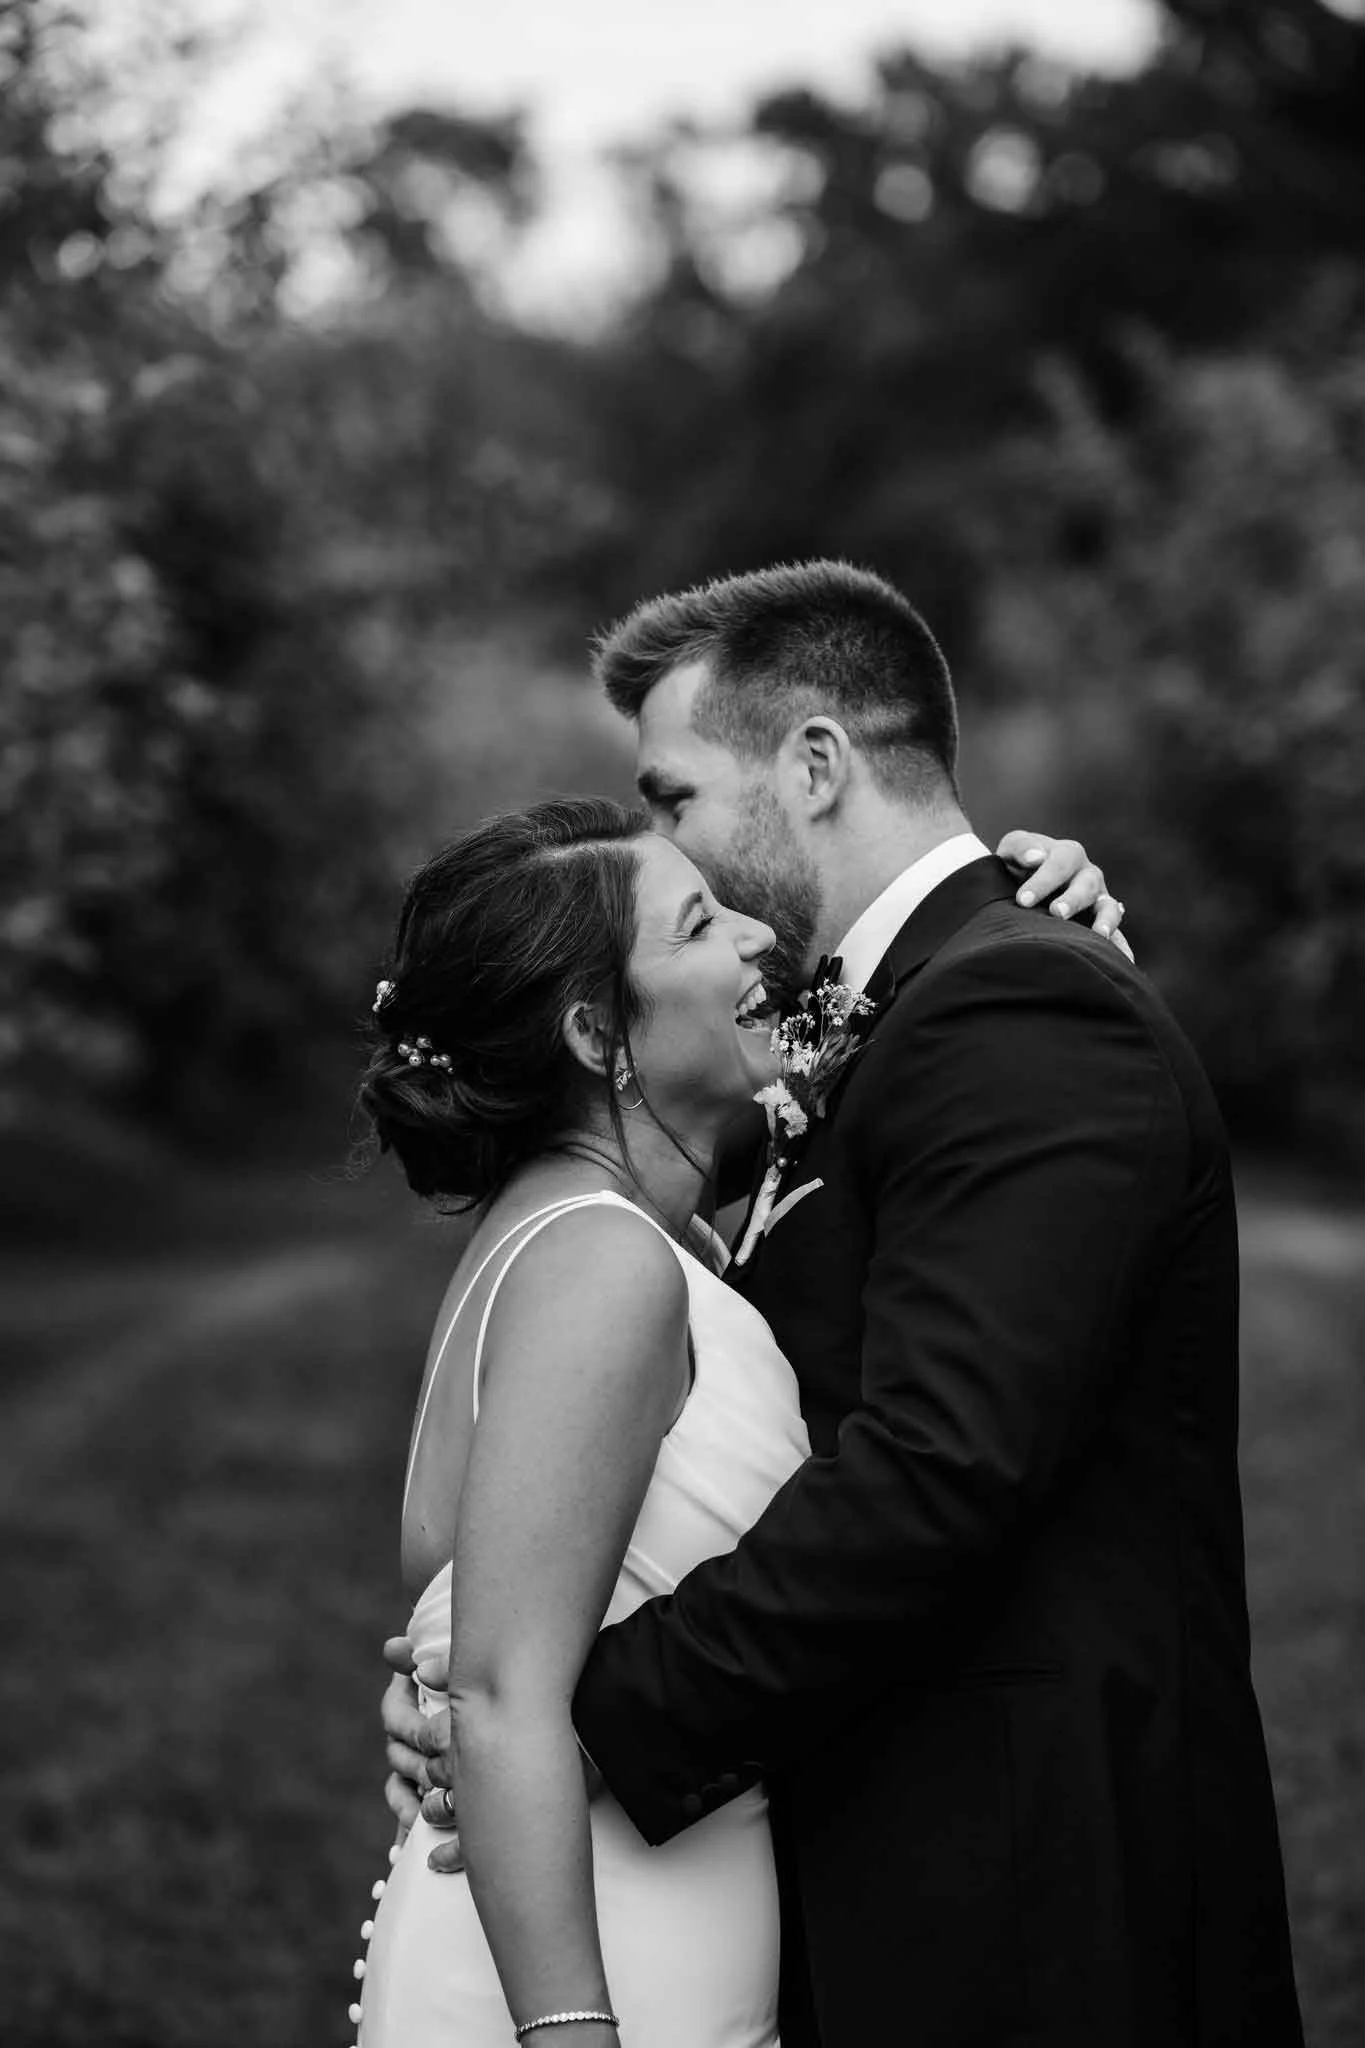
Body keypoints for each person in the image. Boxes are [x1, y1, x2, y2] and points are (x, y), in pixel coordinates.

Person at [376, 562, 1300, 2047]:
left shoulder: (1020, 1004)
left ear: (814, 765)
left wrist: (564, 1720)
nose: (652, 841)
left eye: (672, 800)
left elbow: (937, 1468)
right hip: (864, 1857)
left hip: (1027, 1884)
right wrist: (486, 1690)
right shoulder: (868, 1036)